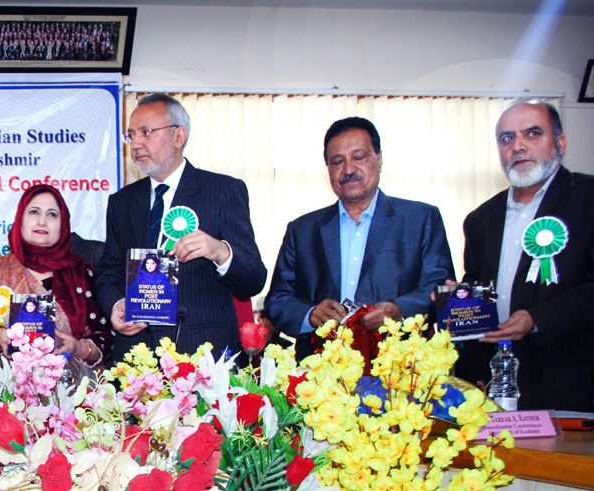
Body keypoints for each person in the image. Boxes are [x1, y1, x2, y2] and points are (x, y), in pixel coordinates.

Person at [264, 117, 455, 358]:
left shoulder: (421, 219)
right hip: (321, 373)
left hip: (400, 366)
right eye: (337, 162)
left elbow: (440, 288)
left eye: (359, 157)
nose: (349, 169)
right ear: (329, 169)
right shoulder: (302, 230)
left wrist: (399, 309)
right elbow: (278, 301)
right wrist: (310, 314)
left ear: (380, 159)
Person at [95, 94, 266, 361]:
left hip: (203, 357)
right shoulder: (121, 202)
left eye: (146, 132)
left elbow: (253, 279)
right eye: (131, 135)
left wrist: (220, 251)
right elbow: (109, 271)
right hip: (137, 361)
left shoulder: (223, 191)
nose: (136, 143)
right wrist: (116, 304)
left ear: (179, 137)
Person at [454, 99, 594, 411]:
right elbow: (479, 295)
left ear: (560, 143)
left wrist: (536, 320)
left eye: (532, 134)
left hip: (569, 387)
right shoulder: (480, 219)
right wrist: (458, 300)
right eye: (507, 138)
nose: (517, 146)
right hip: (493, 390)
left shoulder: (588, 198)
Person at [0, 184, 112, 368]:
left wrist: (78, 348)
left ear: (63, 224)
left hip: (70, 387)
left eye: (52, 214)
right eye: (34, 212)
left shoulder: (82, 274)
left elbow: (107, 336)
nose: (42, 221)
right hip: (7, 390)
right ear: (21, 220)